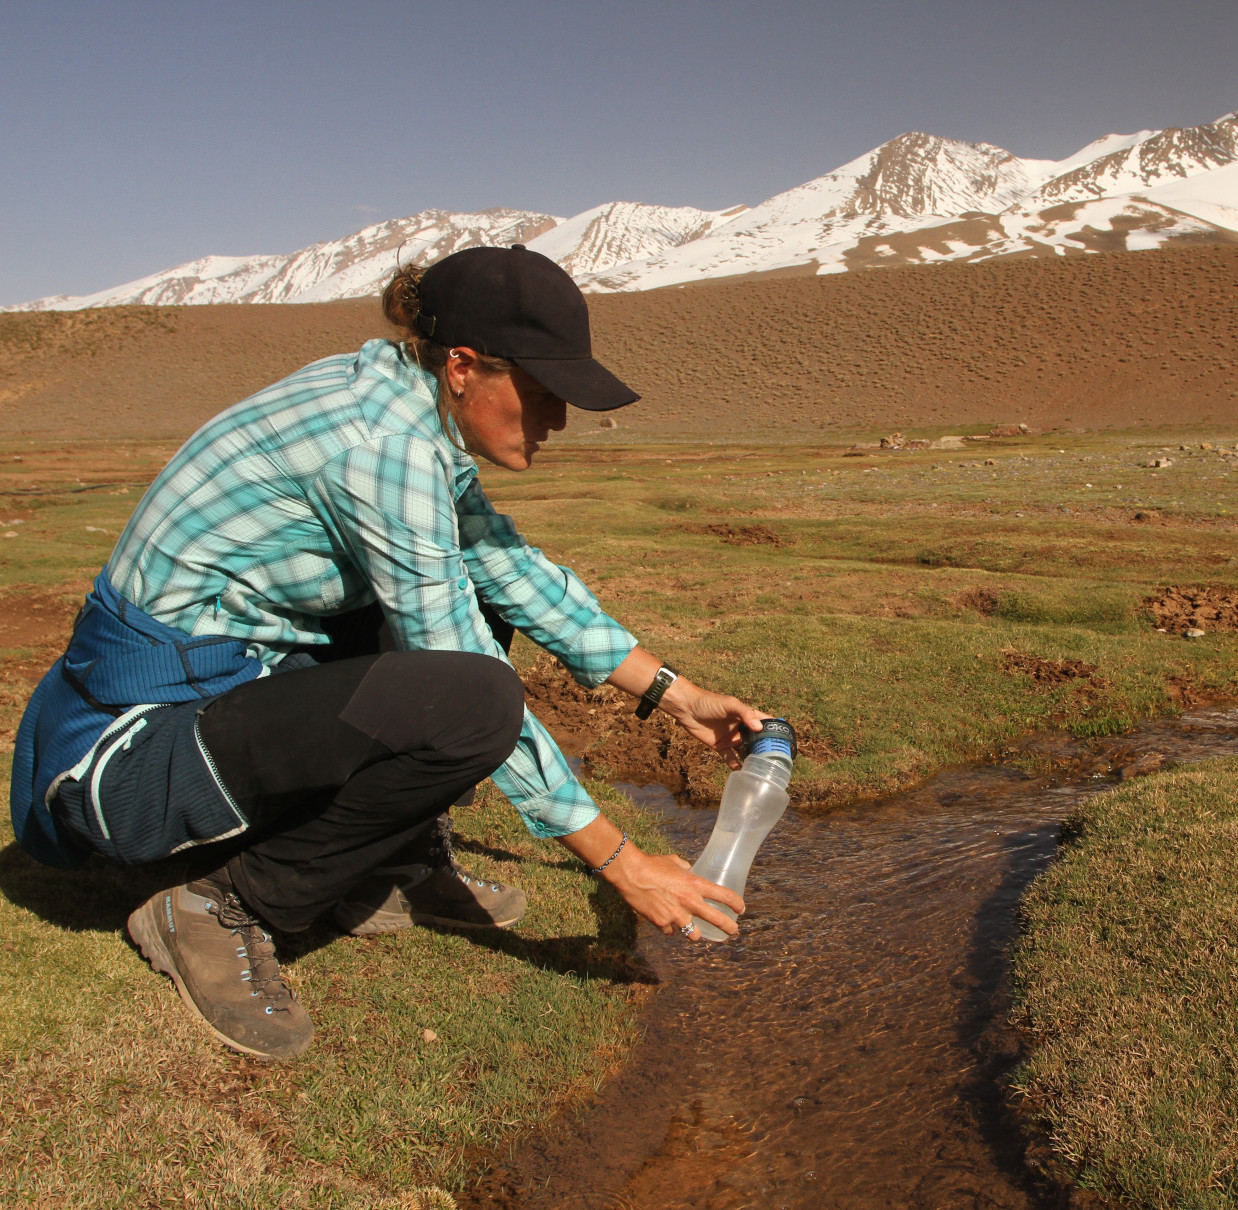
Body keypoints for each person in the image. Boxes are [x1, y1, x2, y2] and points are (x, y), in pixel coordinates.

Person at [9, 245, 763, 1060]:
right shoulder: (381, 446)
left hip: (230, 688)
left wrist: (678, 697)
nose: (558, 422)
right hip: (128, 757)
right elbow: (458, 659)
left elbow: (507, 568)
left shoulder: (406, 406)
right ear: (465, 367)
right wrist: (623, 862)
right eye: (544, 395)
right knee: (473, 697)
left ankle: (391, 864)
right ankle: (220, 908)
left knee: (475, 612)